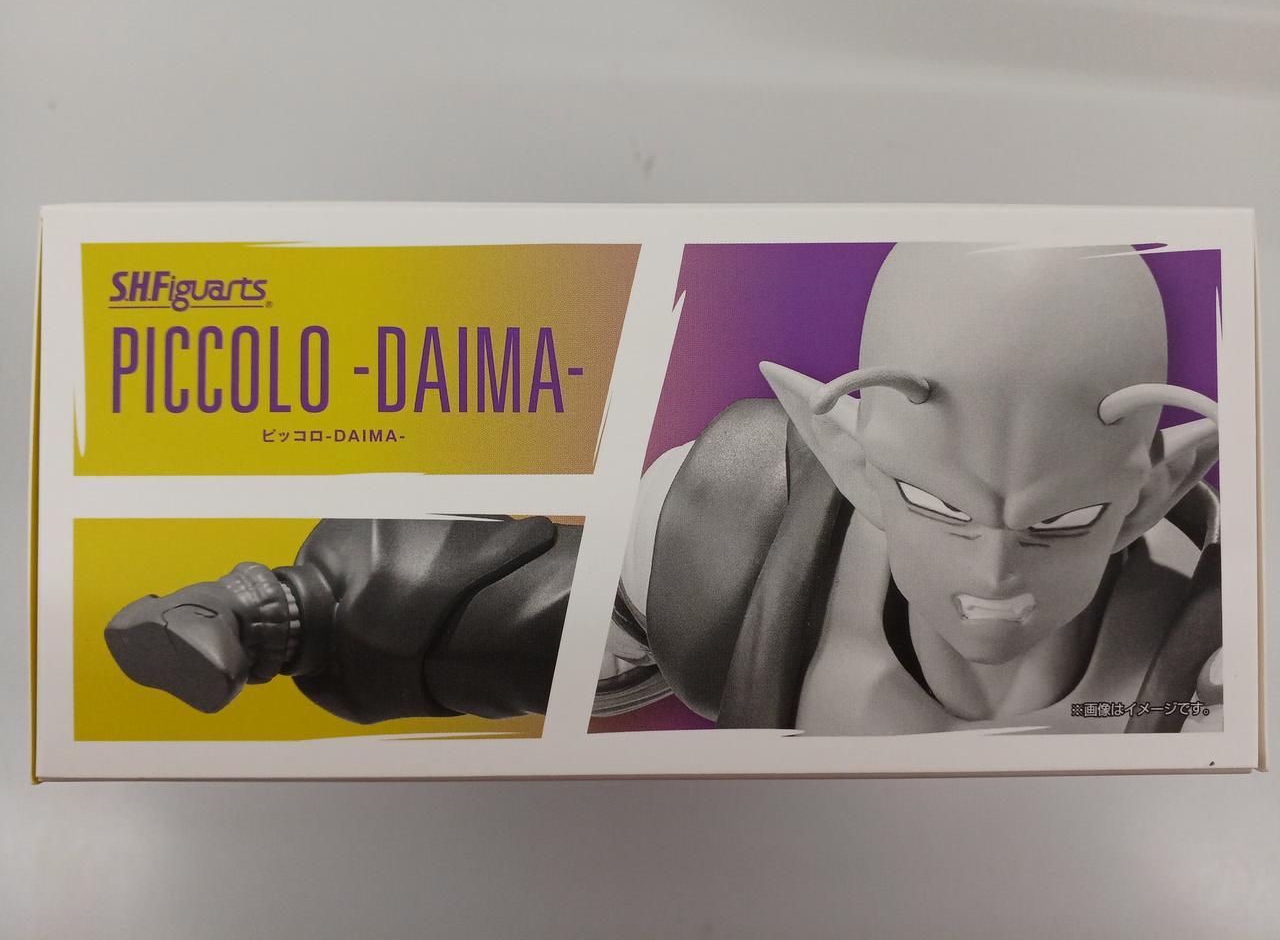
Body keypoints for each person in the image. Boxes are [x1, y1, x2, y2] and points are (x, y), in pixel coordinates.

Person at [105, 243, 1223, 735]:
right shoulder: (744, 532)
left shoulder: (1226, 638)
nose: (993, 573)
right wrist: (276, 614)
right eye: (940, 505)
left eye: (1061, 520)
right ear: (843, 455)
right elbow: (492, 607)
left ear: (1152, 488)